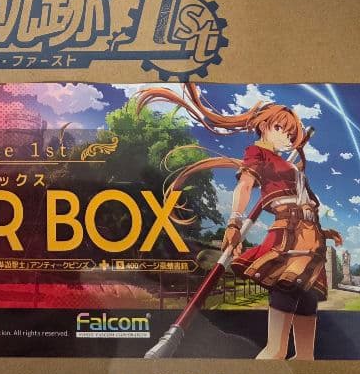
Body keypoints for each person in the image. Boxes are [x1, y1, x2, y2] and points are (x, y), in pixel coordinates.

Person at [136, 84, 341, 359]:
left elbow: (304, 201)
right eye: (281, 129)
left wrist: (323, 231)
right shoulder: (257, 153)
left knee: (306, 337)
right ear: (264, 126)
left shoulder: (290, 165)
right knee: (279, 335)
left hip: (311, 239)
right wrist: (234, 222)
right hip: (289, 237)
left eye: (291, 134)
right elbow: (245, 186)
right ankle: (262, 372)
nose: (287, 137)